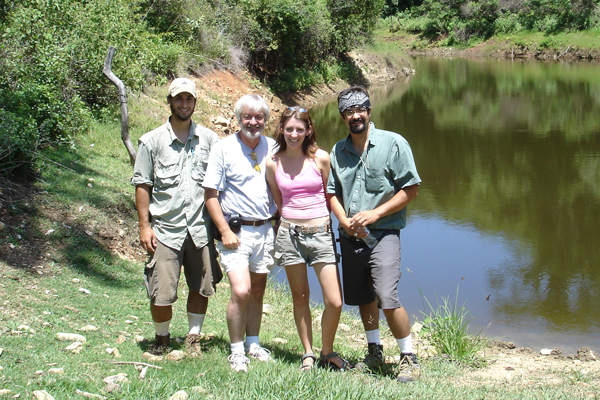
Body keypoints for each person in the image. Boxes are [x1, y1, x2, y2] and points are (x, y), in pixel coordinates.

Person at [327, 86, 422, 383]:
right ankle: (374, 350)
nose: (354, 116)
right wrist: (343, 220)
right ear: (343, 117)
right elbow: (331, 192)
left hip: (383, 234)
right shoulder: (338, 151)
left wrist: (376, 214)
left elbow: (411, 189)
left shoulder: (393, 144)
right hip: (351, 236)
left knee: (385, 294)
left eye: (359, 110)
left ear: (369, 111)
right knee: (363, 296)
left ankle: (408, 358)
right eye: (348, 112)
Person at [131, 77, 222, 355]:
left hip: (200, 229)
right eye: (179, 99)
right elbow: (142, 185)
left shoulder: (210, 140)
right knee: (161, 291)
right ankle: (162, 338)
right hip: (166, 231)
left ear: (195, 102)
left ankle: (193, 338)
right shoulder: (151, 141)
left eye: (189, 99)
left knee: (201, 287)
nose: (184, 104)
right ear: (169, 101)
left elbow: (220, 184)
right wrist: (145, 226)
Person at [265, 106, 349, 371]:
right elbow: (280, 201)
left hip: (321, 235)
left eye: (299, 129)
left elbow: (330, 195)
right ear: (281, 129)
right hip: (289, 235)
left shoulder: (320, 159)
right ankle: (308, 353)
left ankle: (327, 351)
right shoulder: (273, 162)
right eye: (289, 129)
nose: (293, 134)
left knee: (335, 301)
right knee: (300, 297)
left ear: (308, 130)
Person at [203, 94, 277, 373]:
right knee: (241, 290)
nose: (253, 122)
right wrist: (223, 231)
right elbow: (211, 194)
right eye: (247, 116)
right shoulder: (224, 148)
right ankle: (236, 351)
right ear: (238, 118)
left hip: (265, 229)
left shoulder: (273, 147)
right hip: (236, 232)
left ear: (266, 120)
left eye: (259, 117)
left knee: (258, 290)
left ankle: (253, 344)